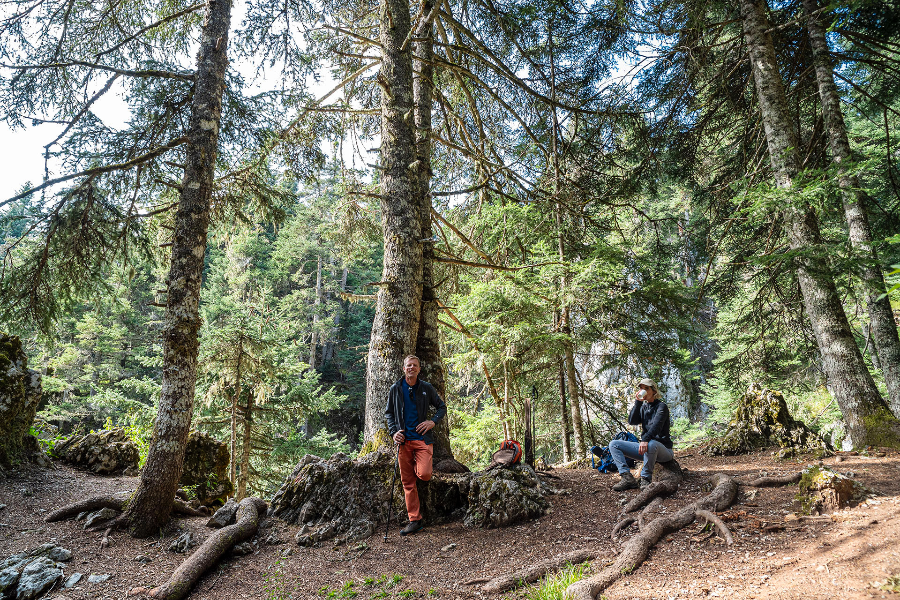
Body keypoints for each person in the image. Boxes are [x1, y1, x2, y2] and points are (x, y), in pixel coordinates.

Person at [384, 354, 447, 536]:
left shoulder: (426, 388)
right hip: (403, 442)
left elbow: (441, 407)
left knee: (425, 474)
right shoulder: (396, 388)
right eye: (408, 365)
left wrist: (432, 422)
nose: (411, 368)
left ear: (419, 369)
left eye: (414, 365)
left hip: (422, 440)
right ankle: (415, 520)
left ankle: (416, 465)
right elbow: (389, 413)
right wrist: (393, 432)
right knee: (408, 483)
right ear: (403, 369)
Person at [609, 378, 674, 491]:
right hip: (647, 449)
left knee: (651, 443)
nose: (642, 390)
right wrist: (638, 402)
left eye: (646, 388)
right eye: (641, 388)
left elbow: (656, 427)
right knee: (614, 444)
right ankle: (627, 478)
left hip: (664, 451)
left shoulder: (661, 407)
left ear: (654, 391)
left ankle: (645, 478)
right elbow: (632, 421)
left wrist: (645, 440)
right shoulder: (644, 407)